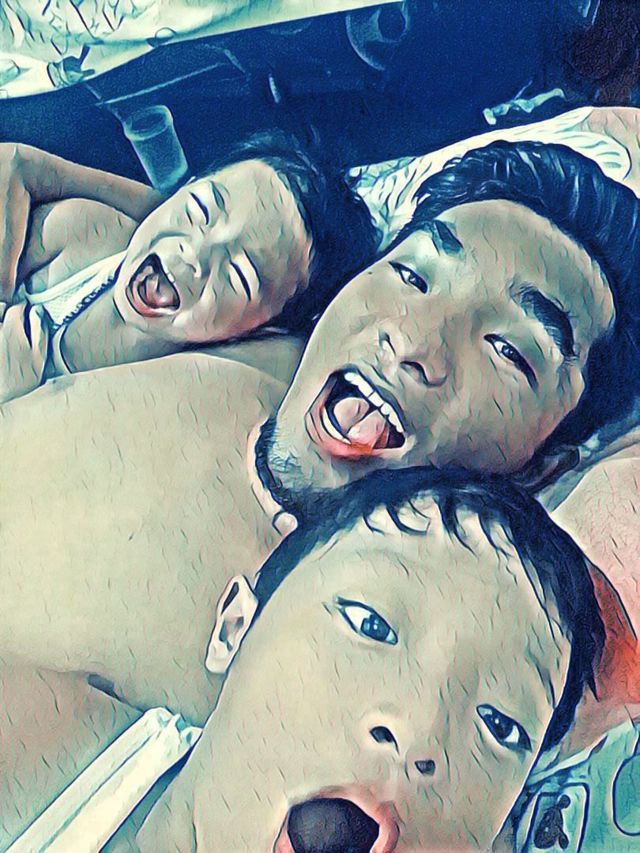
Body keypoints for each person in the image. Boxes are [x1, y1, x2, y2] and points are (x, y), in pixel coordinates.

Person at [2, 138, 638, 720]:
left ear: (540, 468)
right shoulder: (247, 339)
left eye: (509, 351)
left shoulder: (346, 691)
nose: (413, 339)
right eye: (413, 275)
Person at [0, 468, 605, 852]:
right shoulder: (39, 750)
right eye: (370, 624)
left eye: (500, 726)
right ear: (236, 628)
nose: (418, 731)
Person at [0, 130, 378, 400]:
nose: (195, 254)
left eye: (239, 276)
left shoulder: (169, 397)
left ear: (263, 330)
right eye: (199, 209)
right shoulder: (79, 233)